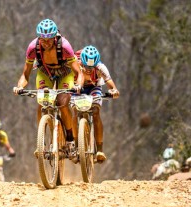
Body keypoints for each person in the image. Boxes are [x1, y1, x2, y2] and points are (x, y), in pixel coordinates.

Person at [13, 18, 84, 151]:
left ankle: (69, 139)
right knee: (42, 101)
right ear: (38, 38)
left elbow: (78, 73)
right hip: (44, 72)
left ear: (55, 37)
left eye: (49, 39)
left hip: (65, 72)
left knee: (63, 102)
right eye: (42, 39)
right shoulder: (33, 48)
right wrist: (20, 87)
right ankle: (41, 142)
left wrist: (78, 85)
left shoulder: (64, 46)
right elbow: (25, 74)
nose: (45, 43)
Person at [74, 45, 120, 163]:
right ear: (81, 62)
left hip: (94, 87)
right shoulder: (75, 64)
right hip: (76, 87)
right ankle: (74, 145)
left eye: (92, 67)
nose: (89, 69)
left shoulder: (101, 67)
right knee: (74, 110)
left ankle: (99, 149)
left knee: (95, 111)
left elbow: (109, 82)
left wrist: (113, 90)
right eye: (86, 66)